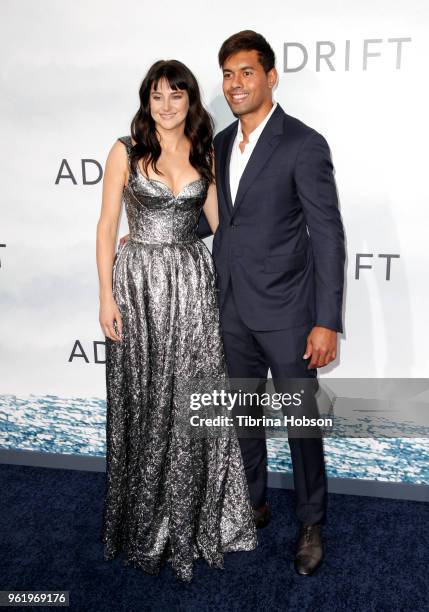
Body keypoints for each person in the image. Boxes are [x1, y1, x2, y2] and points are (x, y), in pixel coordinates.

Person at [120, 32, 346, 576]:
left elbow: (329, 235)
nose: (235, 83)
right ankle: (252, 503)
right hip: (229, 310)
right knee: (242, 416)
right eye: (227, 74)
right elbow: (218, 218)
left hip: (291, 313)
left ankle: (311, 521)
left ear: (270, 77)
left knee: (300, 422)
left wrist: (326, 321)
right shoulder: (217, 143)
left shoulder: (303, 143)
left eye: (246, 72)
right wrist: (156, 232)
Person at [96, 59, 256, 583]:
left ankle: (187, 517)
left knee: (189, 397)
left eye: (177, 96)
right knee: (144, 396)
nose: (167, 106)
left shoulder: (206, 152)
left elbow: (220, 226)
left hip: (190, 286)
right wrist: (105, 296)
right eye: (158, 96)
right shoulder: (124, 150)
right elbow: (105, 227)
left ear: (190, 102)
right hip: (137, 285)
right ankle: (143, 519)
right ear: (147, 100)